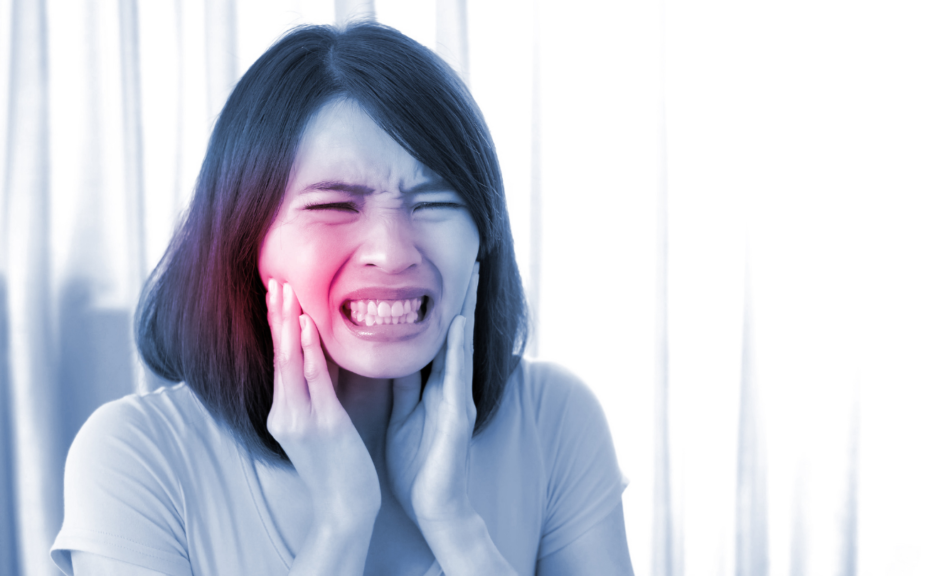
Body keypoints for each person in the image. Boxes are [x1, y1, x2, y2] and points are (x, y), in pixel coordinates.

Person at [51, 22, 633, 576]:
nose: (392, 252)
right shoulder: (135, 458)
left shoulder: (556, 419)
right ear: (242, 240)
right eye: (335, 206)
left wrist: (455, 526)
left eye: (434, 203)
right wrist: (340, 524)